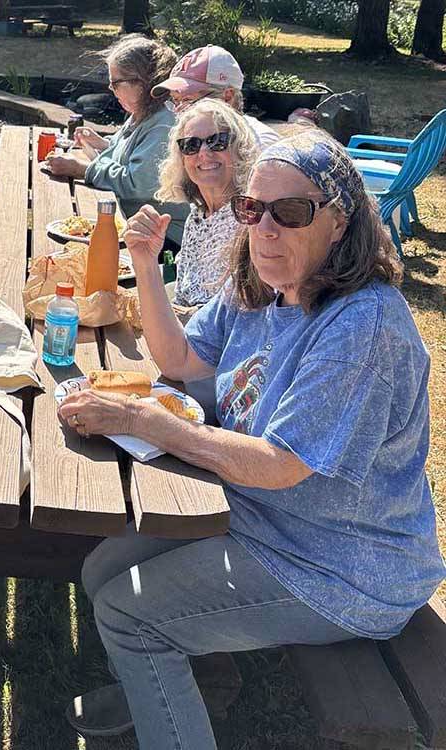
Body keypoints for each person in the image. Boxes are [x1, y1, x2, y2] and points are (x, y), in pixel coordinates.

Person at [58, 129, 444, 749]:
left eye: (291, 212)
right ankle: (189, 685)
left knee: (128, 614)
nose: (265, 227)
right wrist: (145, 267)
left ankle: (164, 688)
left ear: (339, 224)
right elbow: (182, 360)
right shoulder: (263, 285)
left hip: (342, 565)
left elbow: (282, 465)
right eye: (252, 209)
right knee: (104, 567)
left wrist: (147, 421)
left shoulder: (361, 326)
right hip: (265, 519)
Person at [46, 34, 189, 249]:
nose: (110, 89)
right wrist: (105, 143)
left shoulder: (164, 123)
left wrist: (81, 169)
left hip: (162, 240)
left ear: (141, 83)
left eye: (115, 83)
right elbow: (133, 150)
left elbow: (136, 184)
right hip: (134, 225)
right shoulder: (144, 111)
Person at [154, 98, 259, 309]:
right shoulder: (197, 216)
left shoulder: (250, 219)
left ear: (239, 148)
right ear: (182, 159)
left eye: (217, 141)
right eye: (190, 145)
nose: (203, 153)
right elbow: (182, 294)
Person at [151, 45, 280, 147]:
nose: (178, 111)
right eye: (175, 100)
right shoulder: (188, 141)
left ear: (227, 97)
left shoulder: (260, 144)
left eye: (188, 100)